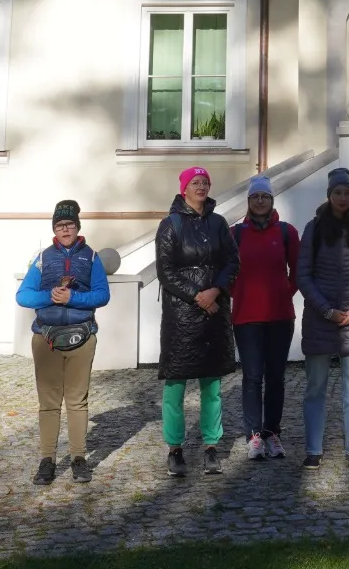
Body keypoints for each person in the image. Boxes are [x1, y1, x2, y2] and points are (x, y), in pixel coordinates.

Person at [15, 200, 111, 485]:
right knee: (48, 403)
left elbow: (102, 295)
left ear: (77, 227)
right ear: (54, 230)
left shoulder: (92, 257)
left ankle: (79, 458)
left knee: (77, 401)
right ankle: (47, 460)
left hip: (82, 337)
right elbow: (23, 296)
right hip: (46, 338)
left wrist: (74, 299)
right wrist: (50, 296)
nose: (65, 229)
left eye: (69, 225)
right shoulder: (42, 258)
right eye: (59, 226)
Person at [155, 167, 239, 478]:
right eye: (195, 182)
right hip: (181, 315)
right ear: (184, 188)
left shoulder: (219, 224)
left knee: (212, 384)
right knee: (175, 385)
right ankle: (175, 449)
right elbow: (166, 271)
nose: (201, 187)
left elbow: (232, 261)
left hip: (214, 312)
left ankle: (211, 446)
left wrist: (215, 290)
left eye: (205, 182)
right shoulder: (170, 225)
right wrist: (197, 295)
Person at [299, 167, 349, 469]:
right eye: (338, 192)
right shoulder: (314, 228)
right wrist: (327, 310)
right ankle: (313, 449)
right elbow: (304, 276)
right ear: (329, 195)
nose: (343, 197)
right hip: (321, 320)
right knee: (315, 387)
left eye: (347, 193)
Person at [230, 174, 299, 460]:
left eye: (265, 197)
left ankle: (273, 433)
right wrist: (239, 293)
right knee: (251, 377)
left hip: (280, 315)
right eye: (256, 197)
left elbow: (297, 270)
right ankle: (254, 435)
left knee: (275, 378)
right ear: (249, 202)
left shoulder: (286, 232)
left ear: (272, 201)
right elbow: (228, 271)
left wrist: (284, 292)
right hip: (246, 316)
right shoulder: (235, 234)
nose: (260, 201)